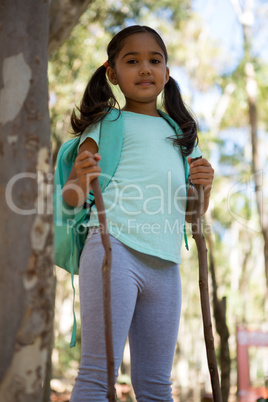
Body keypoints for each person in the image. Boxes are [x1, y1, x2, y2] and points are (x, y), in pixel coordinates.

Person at [63, 25, 214, 401]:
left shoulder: (181, 134)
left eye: (154, 61)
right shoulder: (107, 123)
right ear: (112, 73)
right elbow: (71, 199)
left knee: (157, 386)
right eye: (132, 61)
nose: (145, 69)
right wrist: (80, 178)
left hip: (165, 265)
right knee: (98, 376)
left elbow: (193, 217)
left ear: (166, 72)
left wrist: (204, 188)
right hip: (113, 252)